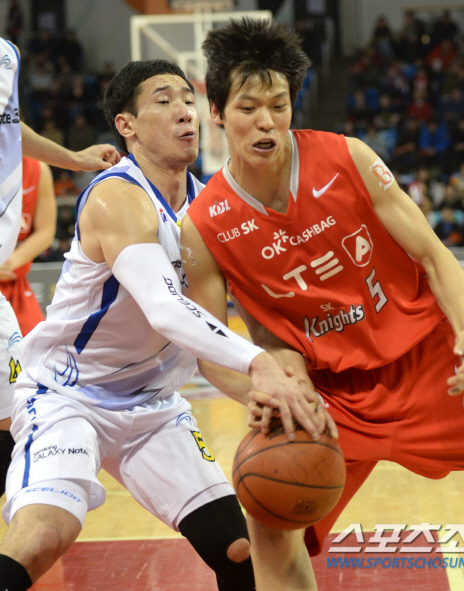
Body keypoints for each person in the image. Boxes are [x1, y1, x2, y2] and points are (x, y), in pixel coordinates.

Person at [180, 18, 464, 591]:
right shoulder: (203, 226)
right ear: (217, 112)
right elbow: (209, 347)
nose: (266, 120)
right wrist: (267, 390)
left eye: (279, 105)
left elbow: (433, 255)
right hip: (328, 399)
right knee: (270, 525)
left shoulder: (347, 158)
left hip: (435, 368)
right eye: (248, 107)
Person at [0, 58, 330, 591]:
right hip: (69, 396)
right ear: (126, 125)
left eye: (188, 99)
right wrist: (260, 365)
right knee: (43, 536)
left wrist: (272, 396)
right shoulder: (116, 195)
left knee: (240, 551)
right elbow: (165, 308)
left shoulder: (211, 209)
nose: (184, 112)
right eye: (164, 100)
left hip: (154, 406)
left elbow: (212, 347)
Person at [1, 36, 120, 503]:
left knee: (13, 414)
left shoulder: (8, 54)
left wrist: (73, 158)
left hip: (6, 284)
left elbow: (11, 127)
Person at [0, 157, 56, 336]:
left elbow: (45, 231)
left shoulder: (37, 168)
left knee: (36, 347)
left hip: (15, 285)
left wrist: (10, 261)